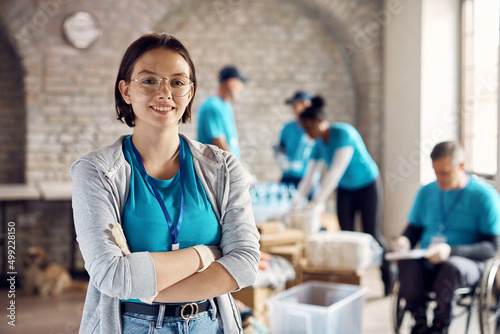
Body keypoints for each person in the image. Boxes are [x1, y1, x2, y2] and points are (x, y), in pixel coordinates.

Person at [71, 32, 260, 334]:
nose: (164, 92)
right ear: (125, 91)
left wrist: (150, 289)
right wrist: (207, 253)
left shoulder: (223, 168)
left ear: (190, 92)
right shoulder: (95, 171)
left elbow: (246, 263)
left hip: (210, 323)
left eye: (177, 81)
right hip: (131, 325)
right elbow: (113, 276)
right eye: (148, 80)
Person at [392, 141, 500, 334]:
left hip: (466, 262)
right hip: (428, 258)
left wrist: (451, 251)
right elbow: (413, 230)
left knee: (451, 268)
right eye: (435, 172)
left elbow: (492, 247)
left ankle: (440, 325)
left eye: (444, 172)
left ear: (461, 166)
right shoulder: (426, 192)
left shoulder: (484, 196)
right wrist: (404, 241)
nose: (439, 178)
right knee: (406, 263)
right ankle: (419, 322)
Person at [293, 96, 392, 295]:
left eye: (308, 128)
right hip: (346, 190)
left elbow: (335, 172)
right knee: (345, 235)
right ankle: (349, 285)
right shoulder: (318, 144)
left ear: (320, 122)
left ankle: (388, 275)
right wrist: (294, 204)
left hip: (367, 186)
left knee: (372, 232)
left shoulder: (344, 134)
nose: (307, 133)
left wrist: (316, 201)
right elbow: (309, 177)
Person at [197, 65, 247, 159]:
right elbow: (219, 143)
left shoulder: (226, 105)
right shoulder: (212, 106)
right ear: (230, 83)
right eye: (240, 83)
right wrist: (235, 168)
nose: (241, 88)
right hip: (216, 170)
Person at [275, 91, 316, 189]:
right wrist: (281, 159)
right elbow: (280, 147)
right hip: (288, 177)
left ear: (306, 104)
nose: (293, 108)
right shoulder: (287, 128)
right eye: (292, 105)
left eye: (296, 105)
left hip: (308, 178)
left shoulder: (315, 128)